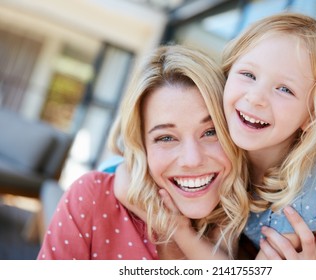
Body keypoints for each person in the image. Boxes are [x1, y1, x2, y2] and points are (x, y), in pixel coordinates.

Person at [37, 44, 250, 259]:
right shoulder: (93, 198)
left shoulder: (265, 237)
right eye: (166, 138)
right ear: (141, 145)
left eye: (211, 132)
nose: (192, 159)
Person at [219, 12, 316, 259]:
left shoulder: (304, 192)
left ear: (312, 115)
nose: (255, 97)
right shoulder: (221, 143)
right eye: (248, 74)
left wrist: (178, 228)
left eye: (285, 89)